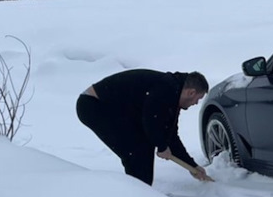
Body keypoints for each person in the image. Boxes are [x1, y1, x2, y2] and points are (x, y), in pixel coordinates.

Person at [76, 69, 213, 185]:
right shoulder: (166, 88)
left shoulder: (173, 95)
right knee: (137, 151)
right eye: (198, 99)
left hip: (113, 110)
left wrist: (191, 165)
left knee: (142, 149)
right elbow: (151, 120)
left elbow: (169, 135)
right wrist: (161, 146)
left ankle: (141, 195)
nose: (196, 103)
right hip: (95, 106)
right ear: (191, 92)